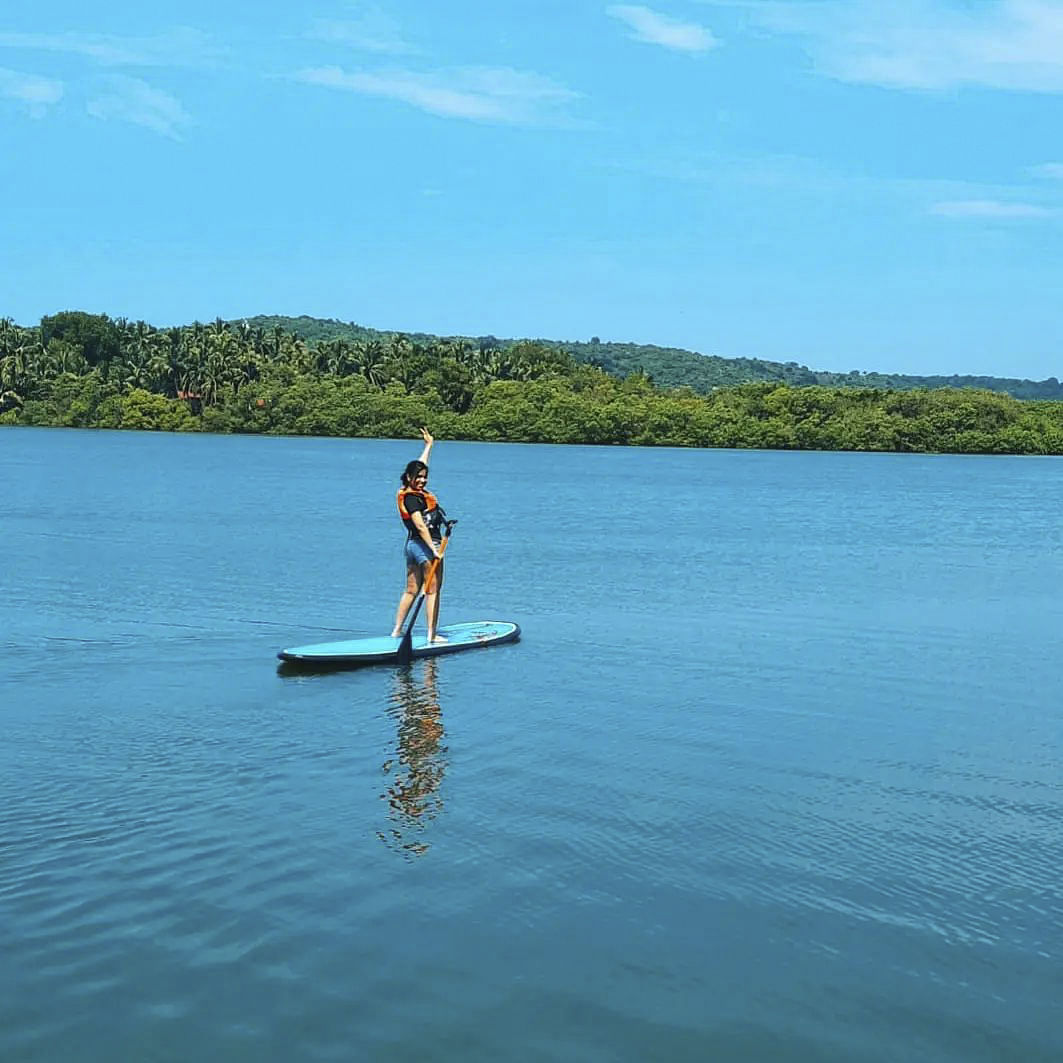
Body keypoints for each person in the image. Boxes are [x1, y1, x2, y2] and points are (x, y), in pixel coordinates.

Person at [390, 428, 449, 644]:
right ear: (409, 478)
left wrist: (428, 446)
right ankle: (432, 636)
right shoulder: (412, 499)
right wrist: (434, 551)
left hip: (411, 547)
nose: (423, 481)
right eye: (419, 478)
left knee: (411, 589)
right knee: (432, 590)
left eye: (425, 477)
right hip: (425, 546)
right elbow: (421, 526)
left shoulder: (407, 490)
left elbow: (419, 465)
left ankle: (397, 630)